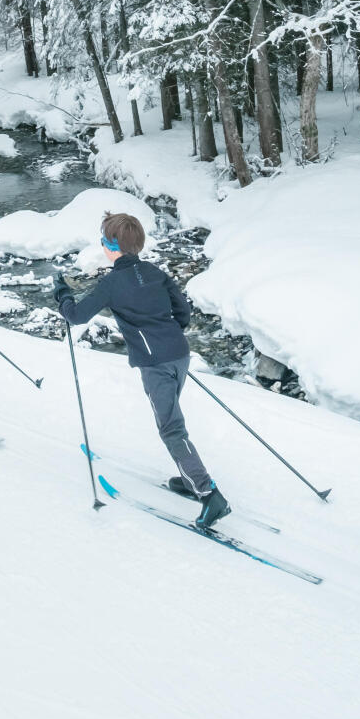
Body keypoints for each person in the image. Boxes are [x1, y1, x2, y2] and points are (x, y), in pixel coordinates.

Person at [54, 212, 230, 530]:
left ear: (111, 245)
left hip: (156, 364)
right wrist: (169, 337)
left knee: (172, 429)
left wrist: (63, 295)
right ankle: (192, 478)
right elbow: (183, 311)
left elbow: (77, 316)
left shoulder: (110, 284)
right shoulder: (155, 272)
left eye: (103, 240)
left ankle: (209, 494)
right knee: (173, 422)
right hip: (179, 354)